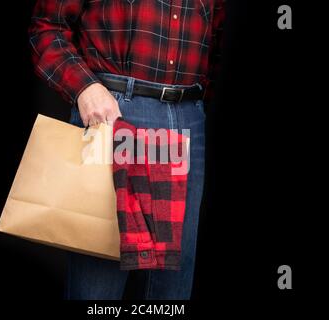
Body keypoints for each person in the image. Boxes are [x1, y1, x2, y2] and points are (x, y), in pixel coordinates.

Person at [29, 0, 225, 300]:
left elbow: (214, 38)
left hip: (187, 119)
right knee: (96, 289)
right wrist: (84, 88)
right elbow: (46, 27)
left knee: (171, 294)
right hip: (116, 114)